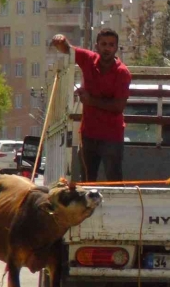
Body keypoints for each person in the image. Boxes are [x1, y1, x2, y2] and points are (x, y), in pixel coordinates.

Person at [51, 29, 132, 182]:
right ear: (97, 46)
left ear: (116, 48)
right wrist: (60, 40)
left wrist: (90, 100)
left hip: (112, 136)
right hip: (89, 134)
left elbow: (118, 106)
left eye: (111, 45)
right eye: (103, 44)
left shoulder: (122, 73)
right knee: (87, 181)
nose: (107, 48)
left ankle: (116, 206)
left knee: (114, 180)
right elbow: (68, 49)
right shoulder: (88, 59)